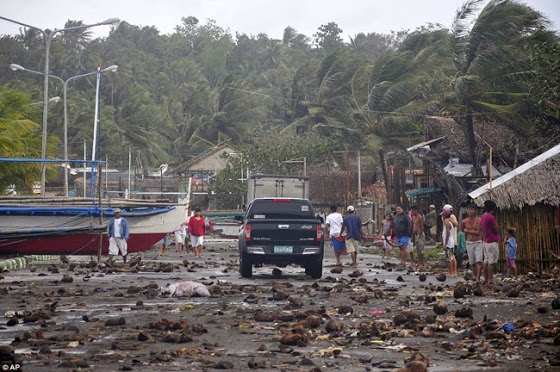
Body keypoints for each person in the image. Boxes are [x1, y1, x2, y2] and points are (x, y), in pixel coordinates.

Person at [481, 200, 500, 285]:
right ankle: (490, 279)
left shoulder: (483, 216)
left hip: (485, 241)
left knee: (486, 260)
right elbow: (496, 228)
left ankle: (486, 279)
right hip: (492, 241)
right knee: (491, 262)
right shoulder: (491, 217)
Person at [462, 204, 483, 284]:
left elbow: (478, 232)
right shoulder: (464, 222)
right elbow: (463, 231)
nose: (470, 211)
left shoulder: (479, 220)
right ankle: (475, 277)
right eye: (469, 209)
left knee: (479, 260)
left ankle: (478, 278)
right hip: (469, 242)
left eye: (472, 209)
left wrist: (468, 231)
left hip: (478, 242)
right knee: (472, 262)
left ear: (475, 211)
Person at [442, 209, 457, 277]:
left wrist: (445, 243)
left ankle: (451, 272)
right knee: (452, 257)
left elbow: (447, 233)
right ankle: (454, 272)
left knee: (449, 258)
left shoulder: (446, 222)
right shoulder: (450, 221)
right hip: (451, 241)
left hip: (448, 242)